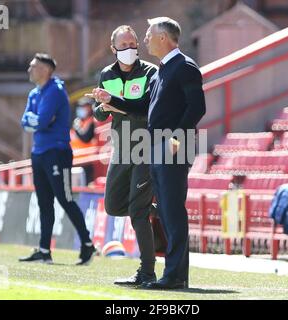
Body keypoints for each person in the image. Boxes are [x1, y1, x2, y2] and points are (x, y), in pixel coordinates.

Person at [89, 17, 206, 289]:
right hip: (156, 146)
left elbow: (197, 107)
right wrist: (111, 100)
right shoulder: (165, 69)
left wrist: (177, 136)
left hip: (172, 145)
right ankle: (174, 274)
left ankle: (174, 275)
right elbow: (142, 107)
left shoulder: (184, 67)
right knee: (166, 210)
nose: (144, 40)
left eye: (148, 35)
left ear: (163, 37)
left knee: (172, 211)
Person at [88, 25, 159, 286]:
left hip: (144, 148)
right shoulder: (107, 74)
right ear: (113, 48)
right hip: (121, 149)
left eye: (133, 44)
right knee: (113, 205)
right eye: (124, 45)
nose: (129, 49)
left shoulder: (151, 73)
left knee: (137, 213)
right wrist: (100, 106)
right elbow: (101, 113)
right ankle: (160, 211)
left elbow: (144, 111)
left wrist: (114, 103)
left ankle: (147, 273)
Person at [19, 53, 96, 265]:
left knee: (65, 198)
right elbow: (24, 121)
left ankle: (87, 244)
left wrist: (36, 121)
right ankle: (44, 250)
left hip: (57, 152)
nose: (29, 69)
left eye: (33, 66)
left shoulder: (55, 91)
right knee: (44, 202)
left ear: (45, 70)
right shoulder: (34, 94)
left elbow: (40, 122)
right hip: (39, 152)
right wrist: (37, 121)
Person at [70, 97, 97, 184]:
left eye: (85, 106)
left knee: (85, 187)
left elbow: (86, 138)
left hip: (87, 161)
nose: (82, 109)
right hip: (75, 161)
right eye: (81, 106)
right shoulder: (78, 122)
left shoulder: (92, 121)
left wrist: (77, 128)